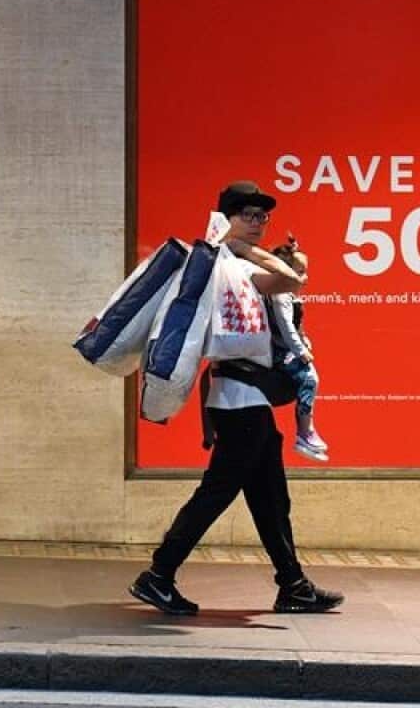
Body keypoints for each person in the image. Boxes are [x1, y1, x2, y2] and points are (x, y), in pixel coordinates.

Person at [130, 181, 344, 616]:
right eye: (247, 214)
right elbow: (289, 278)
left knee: (270, 497)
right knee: (217, 493)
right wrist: (245, 251)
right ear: (225, 217)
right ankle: (158, 574)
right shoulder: (221, 266)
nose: (257, 223)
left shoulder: (240, 266)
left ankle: (293, 585)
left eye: (262, 216)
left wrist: (253, 252)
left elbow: (291, 280)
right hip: (238, 401)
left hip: (250, 401)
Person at [268, 237, 328, 462]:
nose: (305, 277)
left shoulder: (290, 296)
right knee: (310, 378)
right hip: (279, 352)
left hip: (289, 348)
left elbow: (296, 326)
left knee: (311, 378)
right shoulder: (280, 295)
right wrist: (300, 351)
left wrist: (305, 342)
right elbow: (285, 327)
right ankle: (304, 433)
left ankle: (306, 431)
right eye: (300, 271)